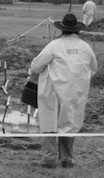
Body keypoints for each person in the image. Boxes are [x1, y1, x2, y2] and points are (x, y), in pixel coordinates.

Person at [28, 13, 98, 168]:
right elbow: (94, 68)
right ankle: (67, 158)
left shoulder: (55, 45)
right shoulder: (85, 47)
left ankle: (49, 158)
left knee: (50, 122)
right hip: (75, 93)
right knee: (69, 122)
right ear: (77, 30)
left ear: (62, 30)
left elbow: (37, 66)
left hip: (53, 91)